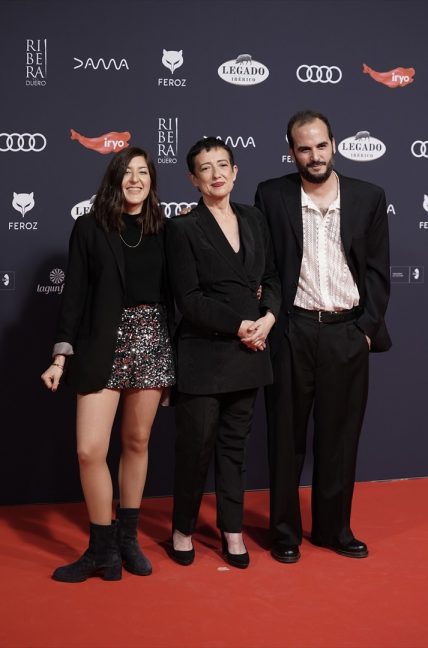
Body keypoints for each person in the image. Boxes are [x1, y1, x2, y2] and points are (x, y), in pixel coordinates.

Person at [255, 110, 391, 563]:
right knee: (285, 438)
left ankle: (335, 529)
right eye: (303, 148)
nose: (314, 156)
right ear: (291, 150)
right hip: (291, 331)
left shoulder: (369, 197)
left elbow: (377, 271)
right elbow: (267, 268)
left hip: (346, 332)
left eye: (321, 146)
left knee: (340, 438)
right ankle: (284, 533)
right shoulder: (272, 195)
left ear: (334, 143)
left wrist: (366, 331)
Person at [41, 146, 175, 582]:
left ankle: (127, 540)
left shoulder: (167, 231)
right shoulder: (90, 228)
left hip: (152, 341)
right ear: (114, 179)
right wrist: (61, 357)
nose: (135, 179)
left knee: (136, 443)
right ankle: (101, 549)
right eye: (127, 172)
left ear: (152, 180)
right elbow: (74, 296)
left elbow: (186, 292)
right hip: (103, 345)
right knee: (89, 450)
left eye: (143, 172)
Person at [165, 137, 281, 568]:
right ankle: (182, 529)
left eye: (222, 165)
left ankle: (232, 529)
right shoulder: (182, 228)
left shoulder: (255, 219)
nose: (216, 174)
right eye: (205, 168)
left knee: (235, 447)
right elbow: (189, 298)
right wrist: (238, 325)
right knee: (195, 448)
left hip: (251, 352)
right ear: (194, 180)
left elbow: (272, 276)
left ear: (235, 172)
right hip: (204, 356)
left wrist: (268, 318)